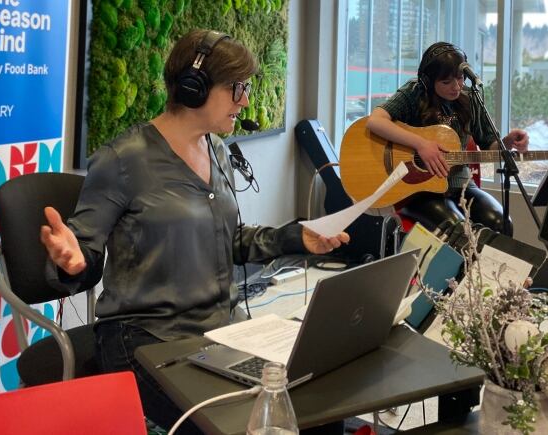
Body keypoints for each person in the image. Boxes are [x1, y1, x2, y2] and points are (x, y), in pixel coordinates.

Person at [40, 29, 349, 434]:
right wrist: (73, 260)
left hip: (221, 326)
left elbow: (230, 240)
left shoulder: (217, 151)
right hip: (145, 337)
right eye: (237, 88)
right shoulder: (123, 159)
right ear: (194, 86)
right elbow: (84, 250)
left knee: (318, 405)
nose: (246, 100)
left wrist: (298, 237)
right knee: (235, 423)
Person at [367, 42, 529, 237]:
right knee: (458, 231)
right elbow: (375, 121)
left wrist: (507, 142)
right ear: (428, 81)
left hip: (460, 184)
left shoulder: (471, 98)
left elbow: (489, 145)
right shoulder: (414, 92)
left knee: (501, 224)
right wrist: (421, 144)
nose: (456, 87)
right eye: (446, 82)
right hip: (417, 190)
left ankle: (484, 269)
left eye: (460, 79)